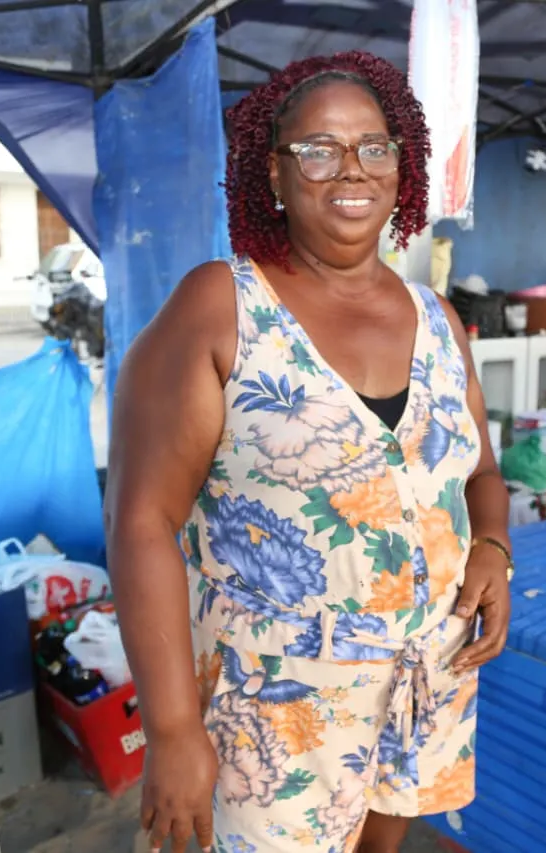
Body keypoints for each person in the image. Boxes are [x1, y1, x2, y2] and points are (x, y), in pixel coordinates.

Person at [105, 51, 513, 853]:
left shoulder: (440, 321)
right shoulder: (222, 308)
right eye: (318, 150)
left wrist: (492, 547)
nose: (350, 169)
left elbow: (482, 473)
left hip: (424, 681)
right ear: (275, 174)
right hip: (275, 712)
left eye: (374, 146)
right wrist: (173, 728)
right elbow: (141, 520)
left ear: (404, 166)